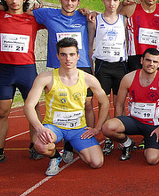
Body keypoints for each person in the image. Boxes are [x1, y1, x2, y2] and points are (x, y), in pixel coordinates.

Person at [23, 37, 109, 176]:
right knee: (40, 145)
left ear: (78, 56)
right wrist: (39, 128)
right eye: (63, 54)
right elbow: (28, 106)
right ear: (57, 56)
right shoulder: (46, 78)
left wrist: (97, 128)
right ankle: (55, 156)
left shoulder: (88, 78)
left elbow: (104, 102)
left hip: (78, 129)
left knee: (96, 162)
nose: (68, 59)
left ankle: (72, 146)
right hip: (54, 127)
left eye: (71, 54)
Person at [0, 0, 43, 166]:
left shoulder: (32, 18)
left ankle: (35, 146)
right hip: (6, 71)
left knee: (33, 110)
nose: (14, 0)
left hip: (27, 70)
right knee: (2, 112)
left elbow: (56, 16)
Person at [32, 0, 95, 155]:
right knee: (62, 104)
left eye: (73, 0)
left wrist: (89, 12)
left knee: (87, 105)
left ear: (79, 3)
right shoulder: (46, 14)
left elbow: (98, 16)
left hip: (82, 64)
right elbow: (20, 10)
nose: (69, 3)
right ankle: (63, 141)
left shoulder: (84, 16)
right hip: (59, 65)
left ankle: (85, 136)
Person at [101, 48, 159, 164]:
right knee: (107, 127)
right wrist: (120, 124)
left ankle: (151, 141)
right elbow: (119, 104)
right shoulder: (128, 78)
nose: (151, 64)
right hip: (133, 121)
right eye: (148, 60)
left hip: (154, 125)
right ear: (142, 60)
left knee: (152, 160)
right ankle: (128, 143)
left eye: (155, 62)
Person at [89, 0, 128, 155]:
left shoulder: (124, 20)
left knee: (120, 103)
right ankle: (107, 139)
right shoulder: (95, 20)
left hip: (120, 66)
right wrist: (92, 68)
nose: (112, 3)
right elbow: (91, 44)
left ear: (119, 2)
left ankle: (120, 136)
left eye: (115, 0)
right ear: (103, 0)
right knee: (103, 103)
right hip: (102, 66)